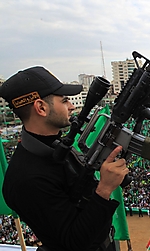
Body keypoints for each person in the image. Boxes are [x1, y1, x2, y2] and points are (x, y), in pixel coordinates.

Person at [0, 66, 129, 251]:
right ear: (41, 108)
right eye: (65, 100)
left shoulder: (54, 145)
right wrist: (104, 189)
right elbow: (73, 243)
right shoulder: (26, 179)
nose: (72, 106)